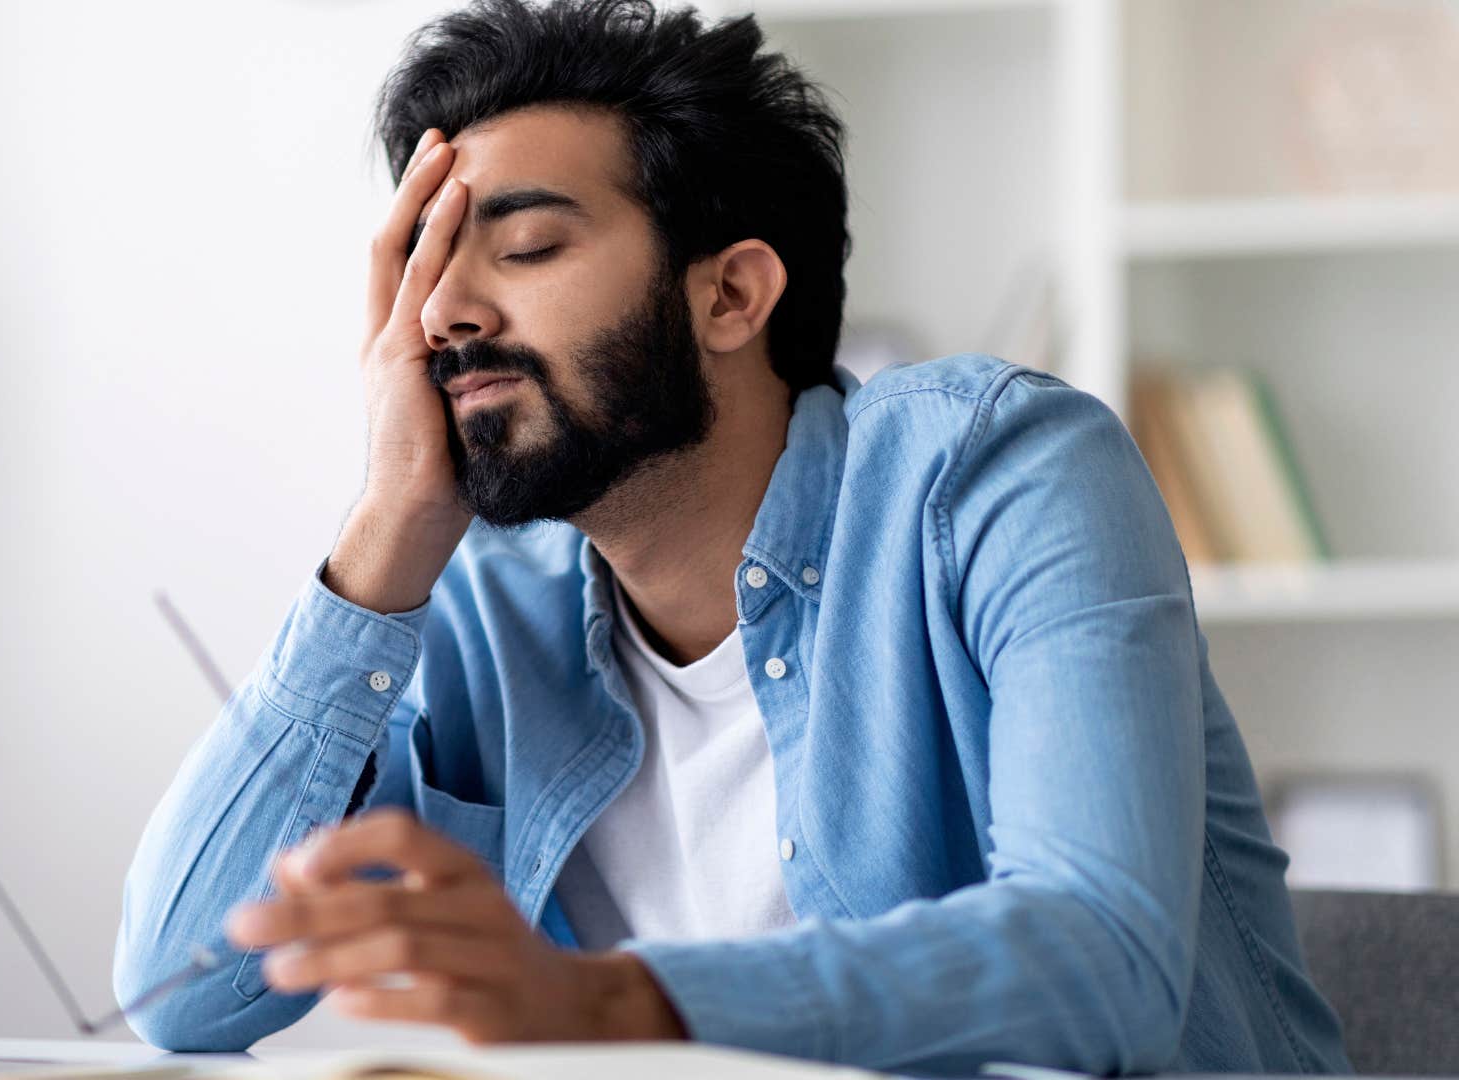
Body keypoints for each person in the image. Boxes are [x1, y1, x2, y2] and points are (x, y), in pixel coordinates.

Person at [114, 1, 1351, 1072]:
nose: (441, 316)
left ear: (731, 294)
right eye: (425, 269)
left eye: (527, 247)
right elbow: (181, 992)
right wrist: (387, 527)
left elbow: (1104, 960)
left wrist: (607, 1003)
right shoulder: (483, 599)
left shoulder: (998, 471)